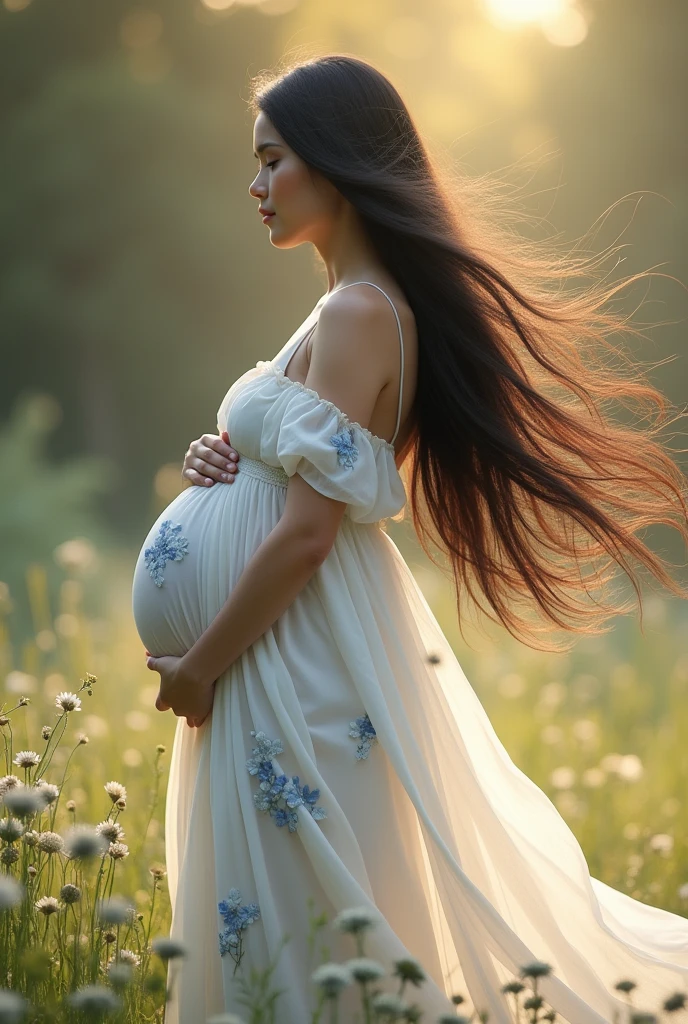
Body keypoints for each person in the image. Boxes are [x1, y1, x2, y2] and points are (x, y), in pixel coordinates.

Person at [132, 54, 688, 1024]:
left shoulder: (358, 311)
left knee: (312, 930)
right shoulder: (345, 304)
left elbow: (308, 537)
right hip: (281, 655)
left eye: (273, 161)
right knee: (304, 930)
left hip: (283, 660)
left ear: (337, 165)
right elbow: (317, 479)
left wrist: (202, 667)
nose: (254, 186)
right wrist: (223, 460)